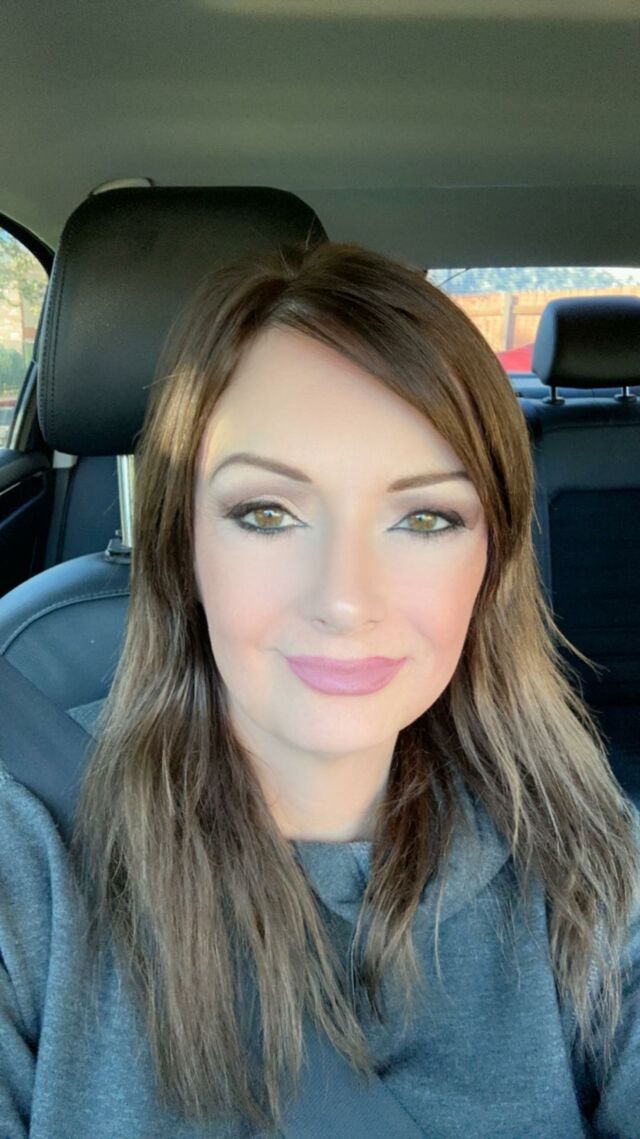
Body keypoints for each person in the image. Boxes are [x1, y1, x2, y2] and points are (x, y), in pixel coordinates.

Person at [0, 240, 639, 1138]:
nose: (344, 598)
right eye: (268, 513)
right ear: (185, 544)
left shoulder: (589, 860)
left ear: (491, 563)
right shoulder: (26, 863)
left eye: (426, 517)